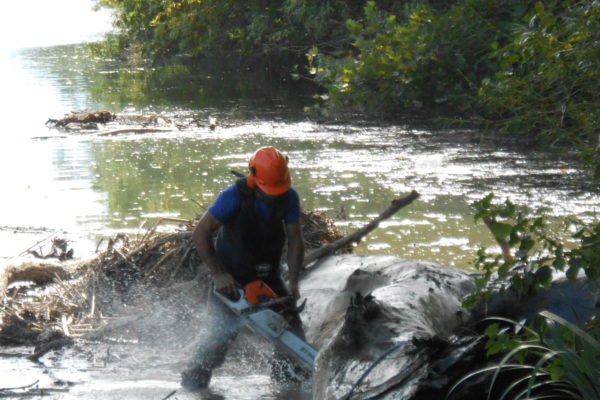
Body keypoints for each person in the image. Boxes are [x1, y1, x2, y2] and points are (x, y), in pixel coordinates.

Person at [181, 146, 307, 391]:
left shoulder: (289, 197)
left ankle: (285, 389)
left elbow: (295, 238)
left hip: (268, 275)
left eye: (277, 190)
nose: (273, 196)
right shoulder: (233, 196)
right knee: (216, 340)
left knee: (293, 340)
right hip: (231, 278)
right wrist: (218, 273)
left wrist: (293, 280)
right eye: (269, 191)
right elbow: (201, 232)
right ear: (254, 177)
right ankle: (193, 386)